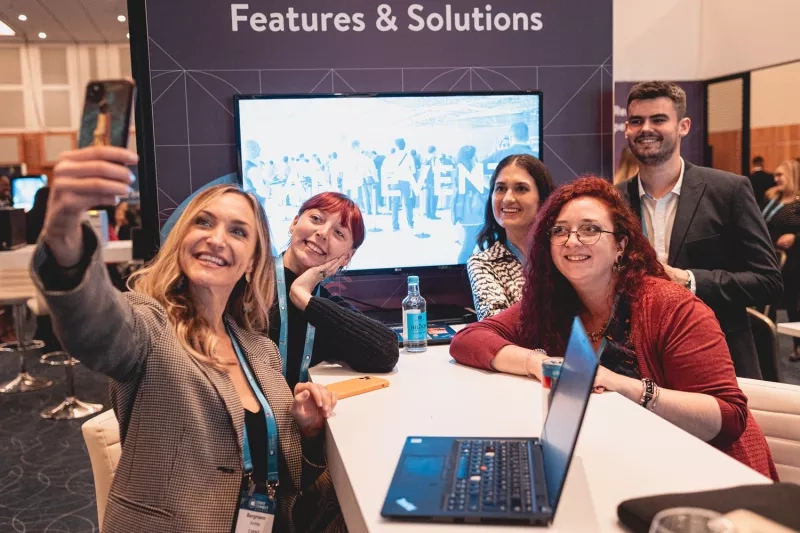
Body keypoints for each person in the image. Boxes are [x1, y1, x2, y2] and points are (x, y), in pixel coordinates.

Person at [31, 146, 344, 532]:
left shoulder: (259, 350)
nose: (216, 239)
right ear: (181, 240)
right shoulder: (150, 325)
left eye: (238, 231)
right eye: (204, 223)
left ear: (251, 262)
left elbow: (287, 473)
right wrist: (65, 241)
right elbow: (95, 328)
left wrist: (307, 429)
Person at [450, 177, 778, 479]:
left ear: (620, 244)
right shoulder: (555, 303)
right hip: (631, 463)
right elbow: (468, 339)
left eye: (590, 229)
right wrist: (536, 362)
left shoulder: (670, 306)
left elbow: (728, 417)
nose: (572, 241)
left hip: (716, 478)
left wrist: (623, 386)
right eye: (560, 231)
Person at [616, 81, 782, 379]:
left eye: (659, 119)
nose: (646, 129)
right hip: (638, 363)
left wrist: (690, 280)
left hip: (718, 359)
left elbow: (767, 280)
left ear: (684, 126)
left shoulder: (728, 190)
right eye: (636, 121)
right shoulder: (612, 200)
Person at [271, 191, 399, 392]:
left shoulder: (324, 305)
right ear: (294, 222)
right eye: (316, 219)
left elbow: (386, 352)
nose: (322, 233)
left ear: (347, 257)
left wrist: (302, 296)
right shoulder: (248, 280)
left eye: (339, 233)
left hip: (305, 419)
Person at [468, 154, 554, 320]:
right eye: (500, 188)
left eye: (521, 188)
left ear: (542, 199)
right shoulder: (483, 263)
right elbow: (497, 329)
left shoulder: (563, 251)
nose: (508, 198)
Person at [763, 160, 800, 361]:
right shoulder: (772, 199)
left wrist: (795, 237)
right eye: (775, 175)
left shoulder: (798, 203)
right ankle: (767, 346)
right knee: (770, 303)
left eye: (780, 175)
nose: (776, 179)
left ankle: (797, 347)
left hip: (794, 261)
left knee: (795, 305)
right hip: (770, 259)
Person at [452, 145, 486, 264]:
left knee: (473, 246)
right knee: (468, 248)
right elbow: (481, 190)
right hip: (472, 214)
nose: (476, 158)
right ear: (470, 158)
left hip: (467, 214)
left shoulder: (459, 171)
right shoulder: (468, 174)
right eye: (474, 155)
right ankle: (460, 271)